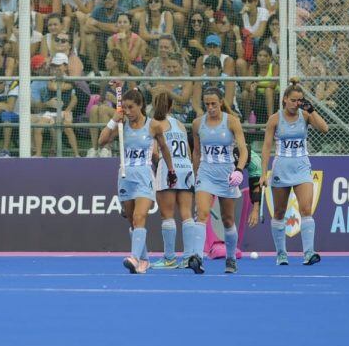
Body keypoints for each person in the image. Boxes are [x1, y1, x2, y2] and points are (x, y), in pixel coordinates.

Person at [98, 84, 177, 274]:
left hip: (144, 175)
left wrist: (171, 170)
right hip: (125, 177)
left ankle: (133, 258)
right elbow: (101, 141)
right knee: (133, 222)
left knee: (139, 216)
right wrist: (113, 121)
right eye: (124, 108)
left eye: (131, 107)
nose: (127, 111)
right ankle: (143, 260)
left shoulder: (153, 125)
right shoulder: (122, 124)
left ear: (140, 105)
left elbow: (164, 149)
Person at [260, 79, 329, 266]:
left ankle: (309, 253)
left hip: (301, 166)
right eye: (292, 100)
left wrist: (312, 110)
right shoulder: (274, 119)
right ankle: (281, 253)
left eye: (299, 100)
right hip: (282, 166)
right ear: (284, 99)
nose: (295, 104)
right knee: (280, 212)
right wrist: (263, 173)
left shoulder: (305, 115)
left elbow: (324, 129)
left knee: (306, 209)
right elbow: (266, 147)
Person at [191, 86, 248, 274]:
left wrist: (239, 170)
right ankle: (197, 257)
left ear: (221, 102)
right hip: (206, 173)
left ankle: (231, 259)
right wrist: (194, 174)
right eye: (207, 104)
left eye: (214, 103)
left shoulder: (232, 121)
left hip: (226, 174)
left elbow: (243, 150)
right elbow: (197, 152)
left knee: (228, 219)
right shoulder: (198, 124)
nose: (210, 107)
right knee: (202, 213)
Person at [151, 90, 196, 270]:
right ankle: (188, 257)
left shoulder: (155, 125)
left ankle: (169, 258)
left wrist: (159, 165)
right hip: (185, 166)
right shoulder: (180, 124)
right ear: (171, 106)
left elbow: (155, 152)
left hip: (168, 167)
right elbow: (189, 152)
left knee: (167, 215)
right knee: (186, 213)